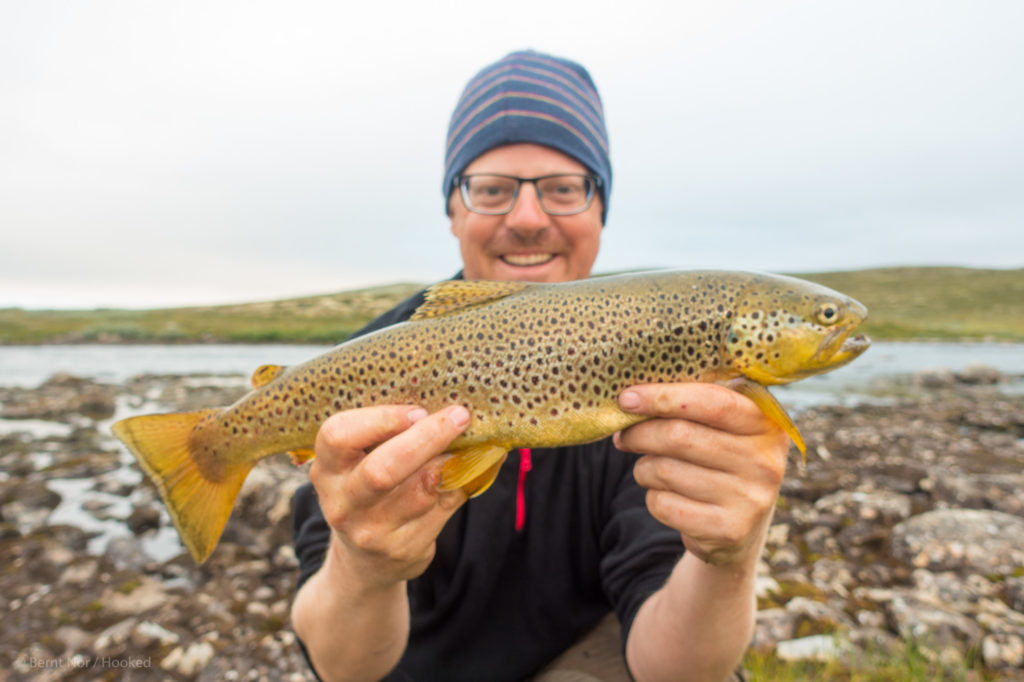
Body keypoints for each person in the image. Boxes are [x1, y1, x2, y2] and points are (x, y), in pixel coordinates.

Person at [290, 50, 789, 682]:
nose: (527, 219)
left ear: (601, 211)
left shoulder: (664, 363)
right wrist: (364, 568)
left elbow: (677, 673)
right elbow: (340, 669)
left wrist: (731, 556)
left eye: (563, 189)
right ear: (452, 211)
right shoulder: (364, 368)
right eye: (492, 190)